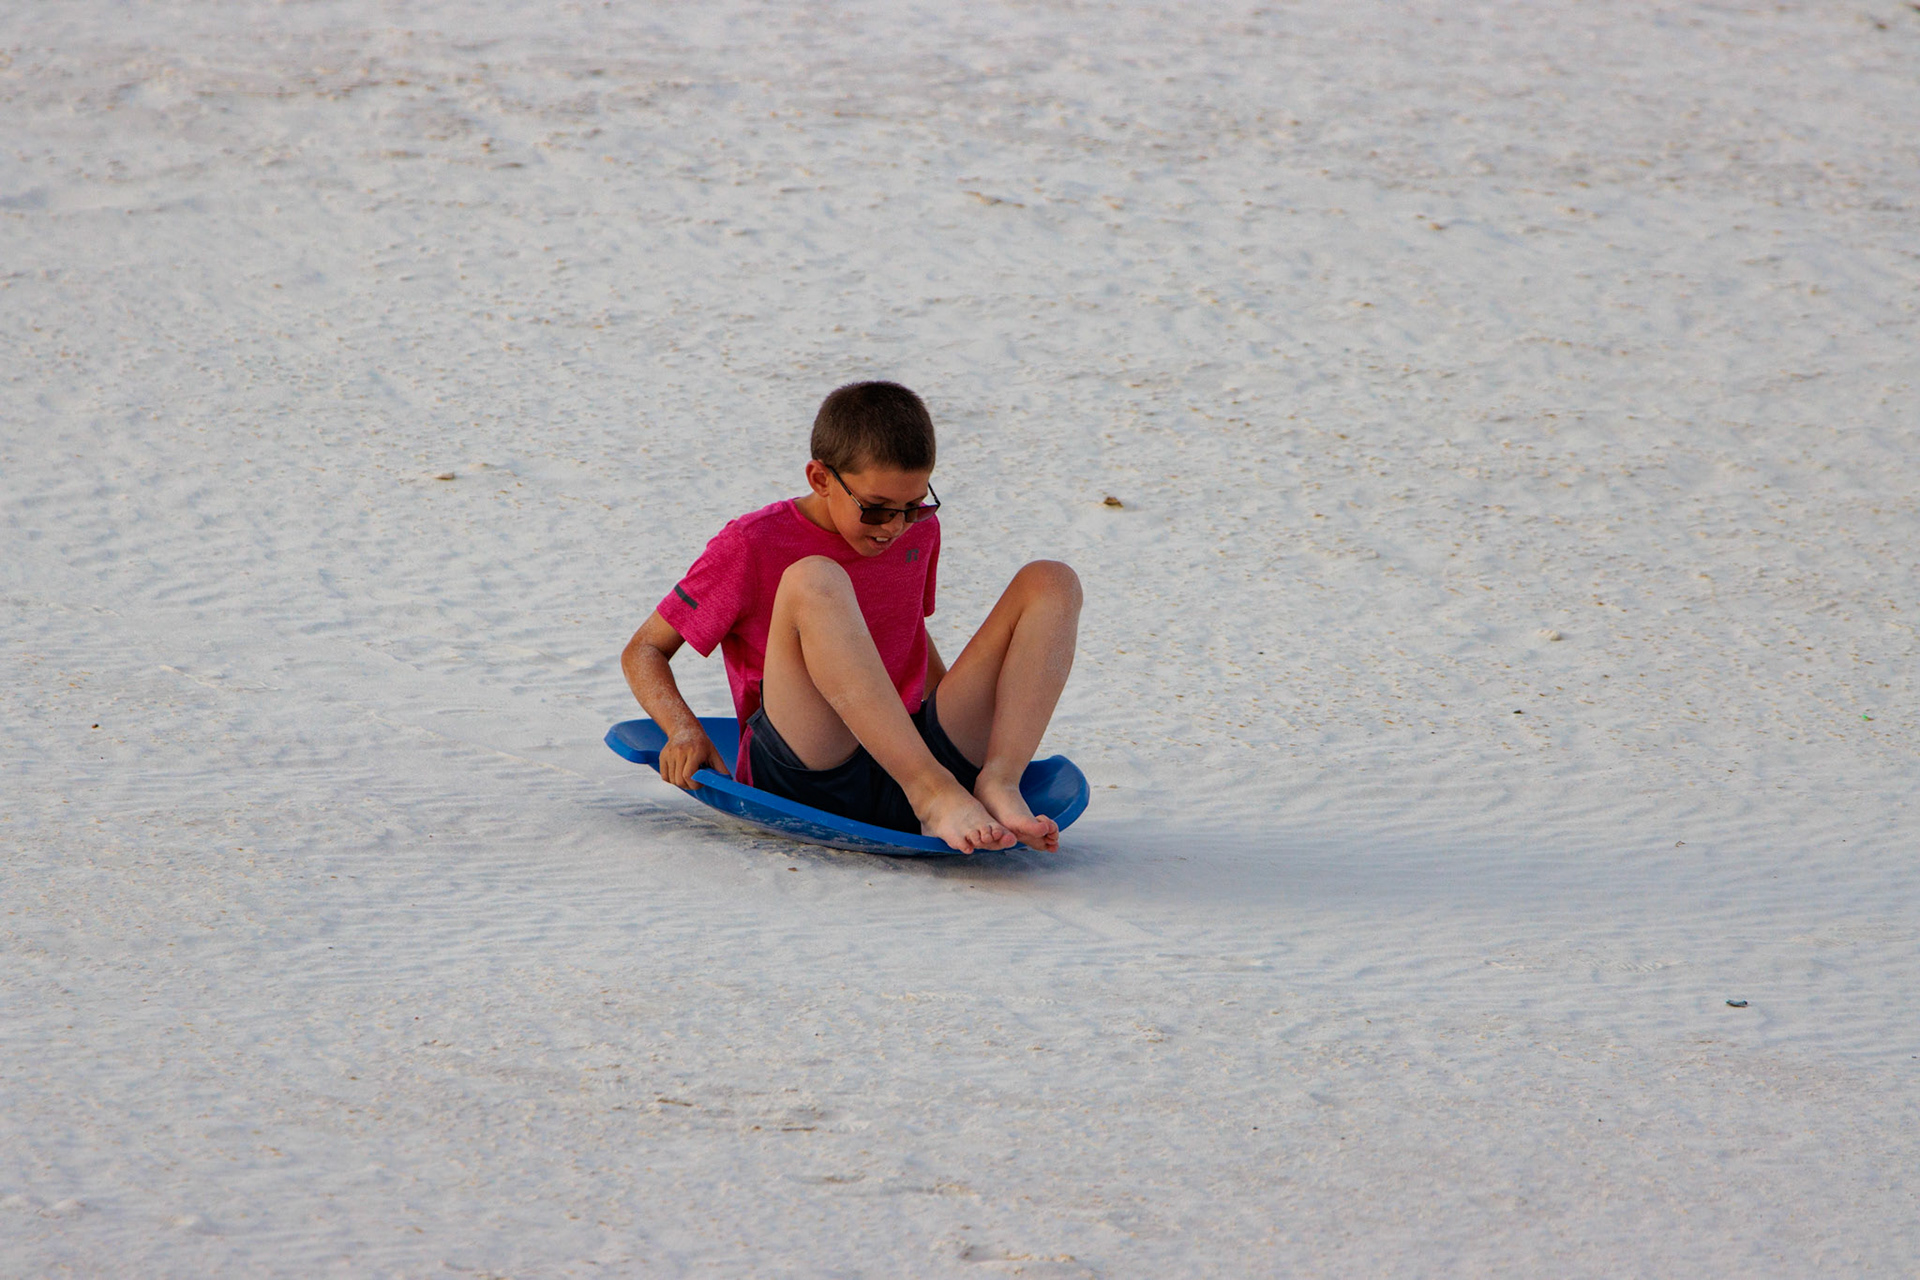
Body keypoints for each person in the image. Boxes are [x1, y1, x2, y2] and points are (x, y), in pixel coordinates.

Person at [621, 381, 1082, 854]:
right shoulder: (752, 543)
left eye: (913, 507)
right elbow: (644, 650)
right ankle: (931, 792)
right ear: (820, 478)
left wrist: (956, 724)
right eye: (876, 510)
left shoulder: (917, 531)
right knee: (814, 578)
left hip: (906, 755)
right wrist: (682, 729)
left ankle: (999, 780)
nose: (895, 527)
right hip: (809, 766)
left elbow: (907, 630)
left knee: (1052, 582)